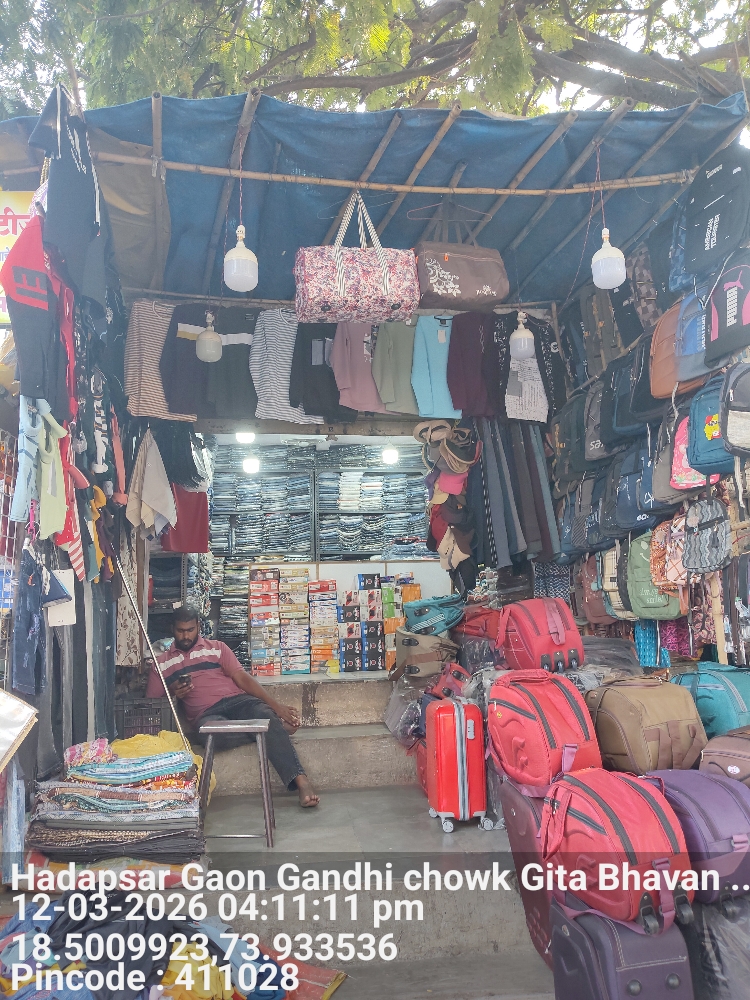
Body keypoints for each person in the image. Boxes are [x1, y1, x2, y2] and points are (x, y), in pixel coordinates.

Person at [145, 605, 319, 808]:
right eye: (180, 630)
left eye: (190, 630)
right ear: (172, 628)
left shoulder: (217, 647)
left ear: (199, 626)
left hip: (237, 700)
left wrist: (276, 706)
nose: (185, 636)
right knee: (212, 735)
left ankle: (302, 782)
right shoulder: (161, 663)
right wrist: (173, 692)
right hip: (206, 714)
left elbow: (242, 678)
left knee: (263, 712)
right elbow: (151, 704)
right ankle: (270, 729)